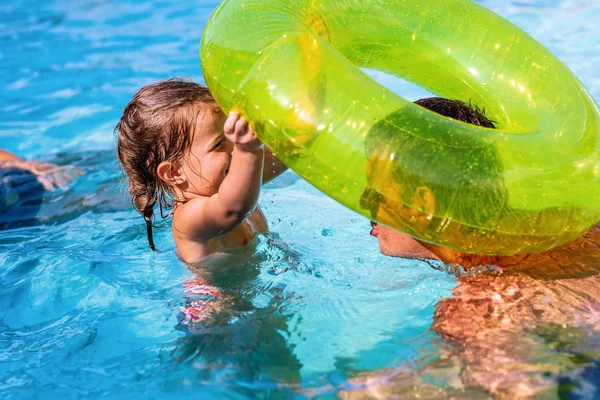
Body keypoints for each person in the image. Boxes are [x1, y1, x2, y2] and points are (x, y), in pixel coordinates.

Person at [362, 98, 600, 398]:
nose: (361, 202)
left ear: (423, 204)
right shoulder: (570, 221)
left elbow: (523, 392)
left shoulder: (480, 305)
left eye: (375, 190)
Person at [116, 78, 288, 264]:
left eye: (233, 135)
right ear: (174, 173)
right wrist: (248, 149)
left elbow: (289, 155)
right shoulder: (187, 220)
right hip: (219, 293)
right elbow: (232, 210)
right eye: (219, 143)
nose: (235, 146)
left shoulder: (236, 178)